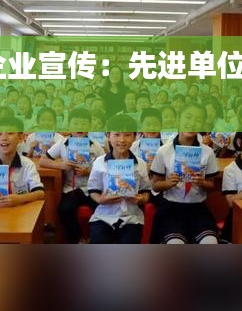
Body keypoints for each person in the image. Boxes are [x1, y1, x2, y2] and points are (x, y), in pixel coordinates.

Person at [150, 103, 219, 244]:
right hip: (171, 209)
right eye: (188, 117)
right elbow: (155, 185)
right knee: (176, 243)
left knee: (210, 241)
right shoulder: (164, 151)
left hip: (198, 208)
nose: (192, 123)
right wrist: (168, 183)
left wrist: (202, 182)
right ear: (178, 120)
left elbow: (213, 186)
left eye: (198, 120)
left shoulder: (207, 152)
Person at [40, 108, 104, 243]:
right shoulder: (63, 143)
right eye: (76, 123)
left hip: (92, 188)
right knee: (64, 209)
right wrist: (61, 165)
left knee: (102, 209)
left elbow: (105, 168)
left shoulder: (96, 146)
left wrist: (89, 171)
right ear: (69, 126)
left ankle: (96, 238)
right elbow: (43, 160)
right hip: (71, 188)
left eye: (84, 123)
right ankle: (77, 239)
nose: (80, 127)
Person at [87, 114, 151, 244]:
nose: (122, 140)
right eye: (116, 134)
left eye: (127, 135)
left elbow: (146, 191)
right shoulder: (99, 162)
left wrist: (141, 199)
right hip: (104, 216)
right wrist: (100, 200)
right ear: (108, 135)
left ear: (135, 137)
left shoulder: (140, 164)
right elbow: (93, 190)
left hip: (132, 218)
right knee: (99, 242)